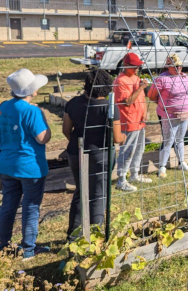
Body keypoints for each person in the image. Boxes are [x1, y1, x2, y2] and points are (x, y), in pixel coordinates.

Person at [62, 70, 125, 241]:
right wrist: (124, 137)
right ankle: (95, 237)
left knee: (80, 192)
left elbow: (66, 130)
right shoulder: (110, 108)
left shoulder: (73, 103)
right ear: (108, 88)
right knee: (98, 195)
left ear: (86, 85)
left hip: (77, 152)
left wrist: (79, 142)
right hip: (101, 155)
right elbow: (117, 138)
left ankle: (73, 237)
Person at [0, 69, 51, 259]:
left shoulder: (4, 106)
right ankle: (29, 249)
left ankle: (2, 244)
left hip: (7, 164)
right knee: (31, 207)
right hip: (30, 167)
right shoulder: (32, 111)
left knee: (8, 205)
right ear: (32, 91)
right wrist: (43, 117)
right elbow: (43, 138)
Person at [147, 54, 188, 178]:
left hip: (185, 113)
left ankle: (181, 162)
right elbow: (151, 95)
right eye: (175, 66)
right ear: (168, 67)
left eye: (180, 65)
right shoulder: (161, 79)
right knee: (168, 140)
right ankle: (162, 167)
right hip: (169, 115)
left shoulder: (185, 77)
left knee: (180, 139)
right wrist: (163, 105)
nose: (178, 68)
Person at [114, 52, 151, 192]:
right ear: (126, 65)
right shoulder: (121, 81)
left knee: (139, 148)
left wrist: (145, 111)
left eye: (138, 67)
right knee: (127, 150)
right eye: (134, 67)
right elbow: (128, 101)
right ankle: (121, 179)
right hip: (129, 121)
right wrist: (141, 87)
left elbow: (141, 98)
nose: (136, 69)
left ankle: (134, 174)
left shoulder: (136, 78)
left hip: (139, 121)